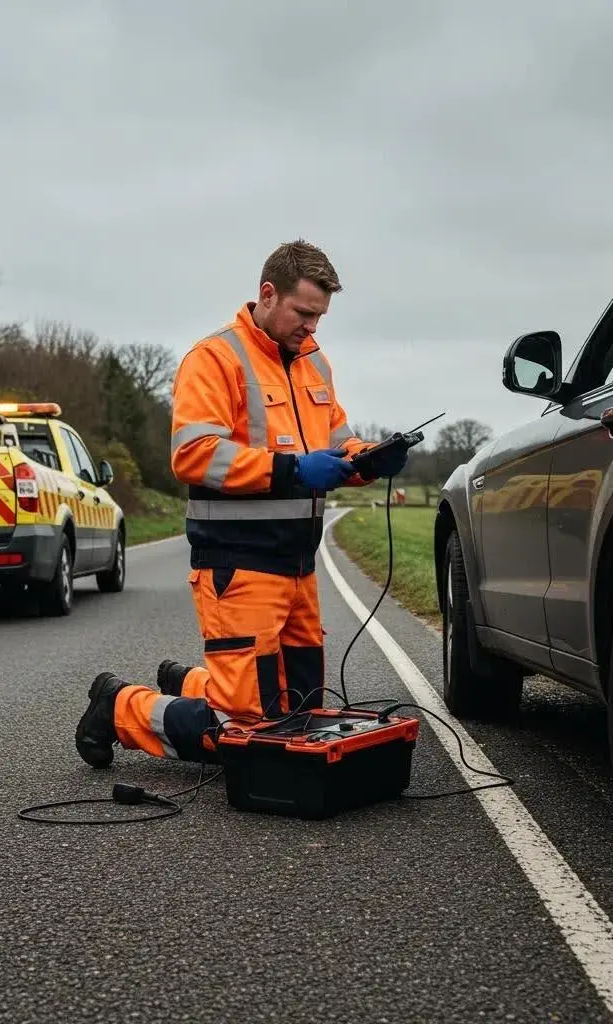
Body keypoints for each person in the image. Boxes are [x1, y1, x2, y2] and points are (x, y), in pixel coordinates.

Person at [74, 239, 409, 768]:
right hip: (239, 564)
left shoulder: (314, 363)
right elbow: (193, 455)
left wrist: (369, 459)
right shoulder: (214, 359)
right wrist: (293, 469)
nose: (312, 328)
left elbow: (339, 440)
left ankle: (190, 683)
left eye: (320, 317)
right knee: (248, 732)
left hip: (298, 568)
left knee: (301, 715)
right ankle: (119, 709)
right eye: (304, 313)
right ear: (268, 294)